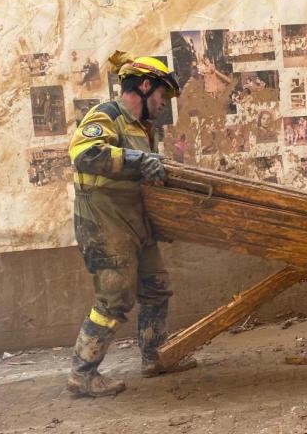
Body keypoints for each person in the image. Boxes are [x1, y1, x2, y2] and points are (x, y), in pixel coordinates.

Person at [66, 50, 196, 398]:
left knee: (156, 287)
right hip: (104, 221)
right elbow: (85, 154)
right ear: (143, 86)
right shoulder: (107, 116)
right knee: (114, 297)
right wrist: (139, 159)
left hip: (134, 221)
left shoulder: (140, 128)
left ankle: (155, 357)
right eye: (162, 94)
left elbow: (139, 173)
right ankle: (83, 372)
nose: (163, 103)